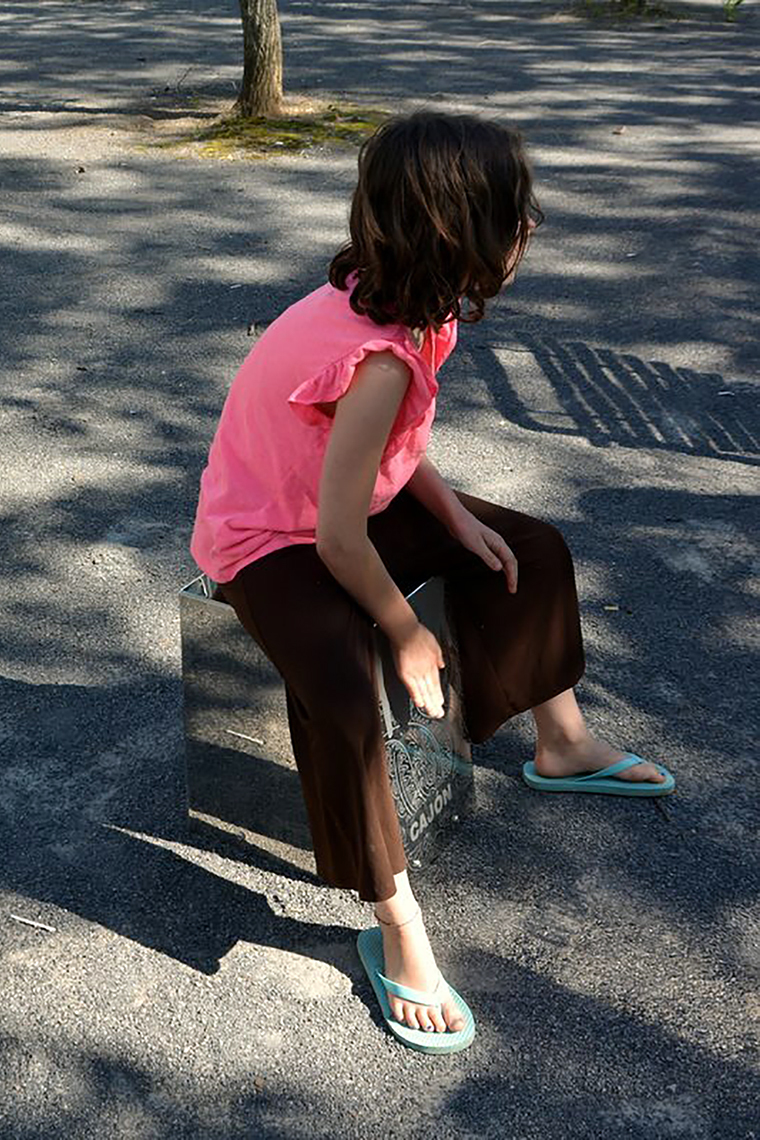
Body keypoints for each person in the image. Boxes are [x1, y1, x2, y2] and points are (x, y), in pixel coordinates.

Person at [190, 111, 675, 1055]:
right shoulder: (376, 357)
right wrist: (403, 633)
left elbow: (388, 453)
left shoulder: (418, 311)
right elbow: (333, 537)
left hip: (341, 505)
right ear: (462, 234)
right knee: (338, 687)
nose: (526, 226)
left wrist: (458, 520)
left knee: (523, 547)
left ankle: (563, 744)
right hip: (269, 537)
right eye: (514, 213)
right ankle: (393, 921)